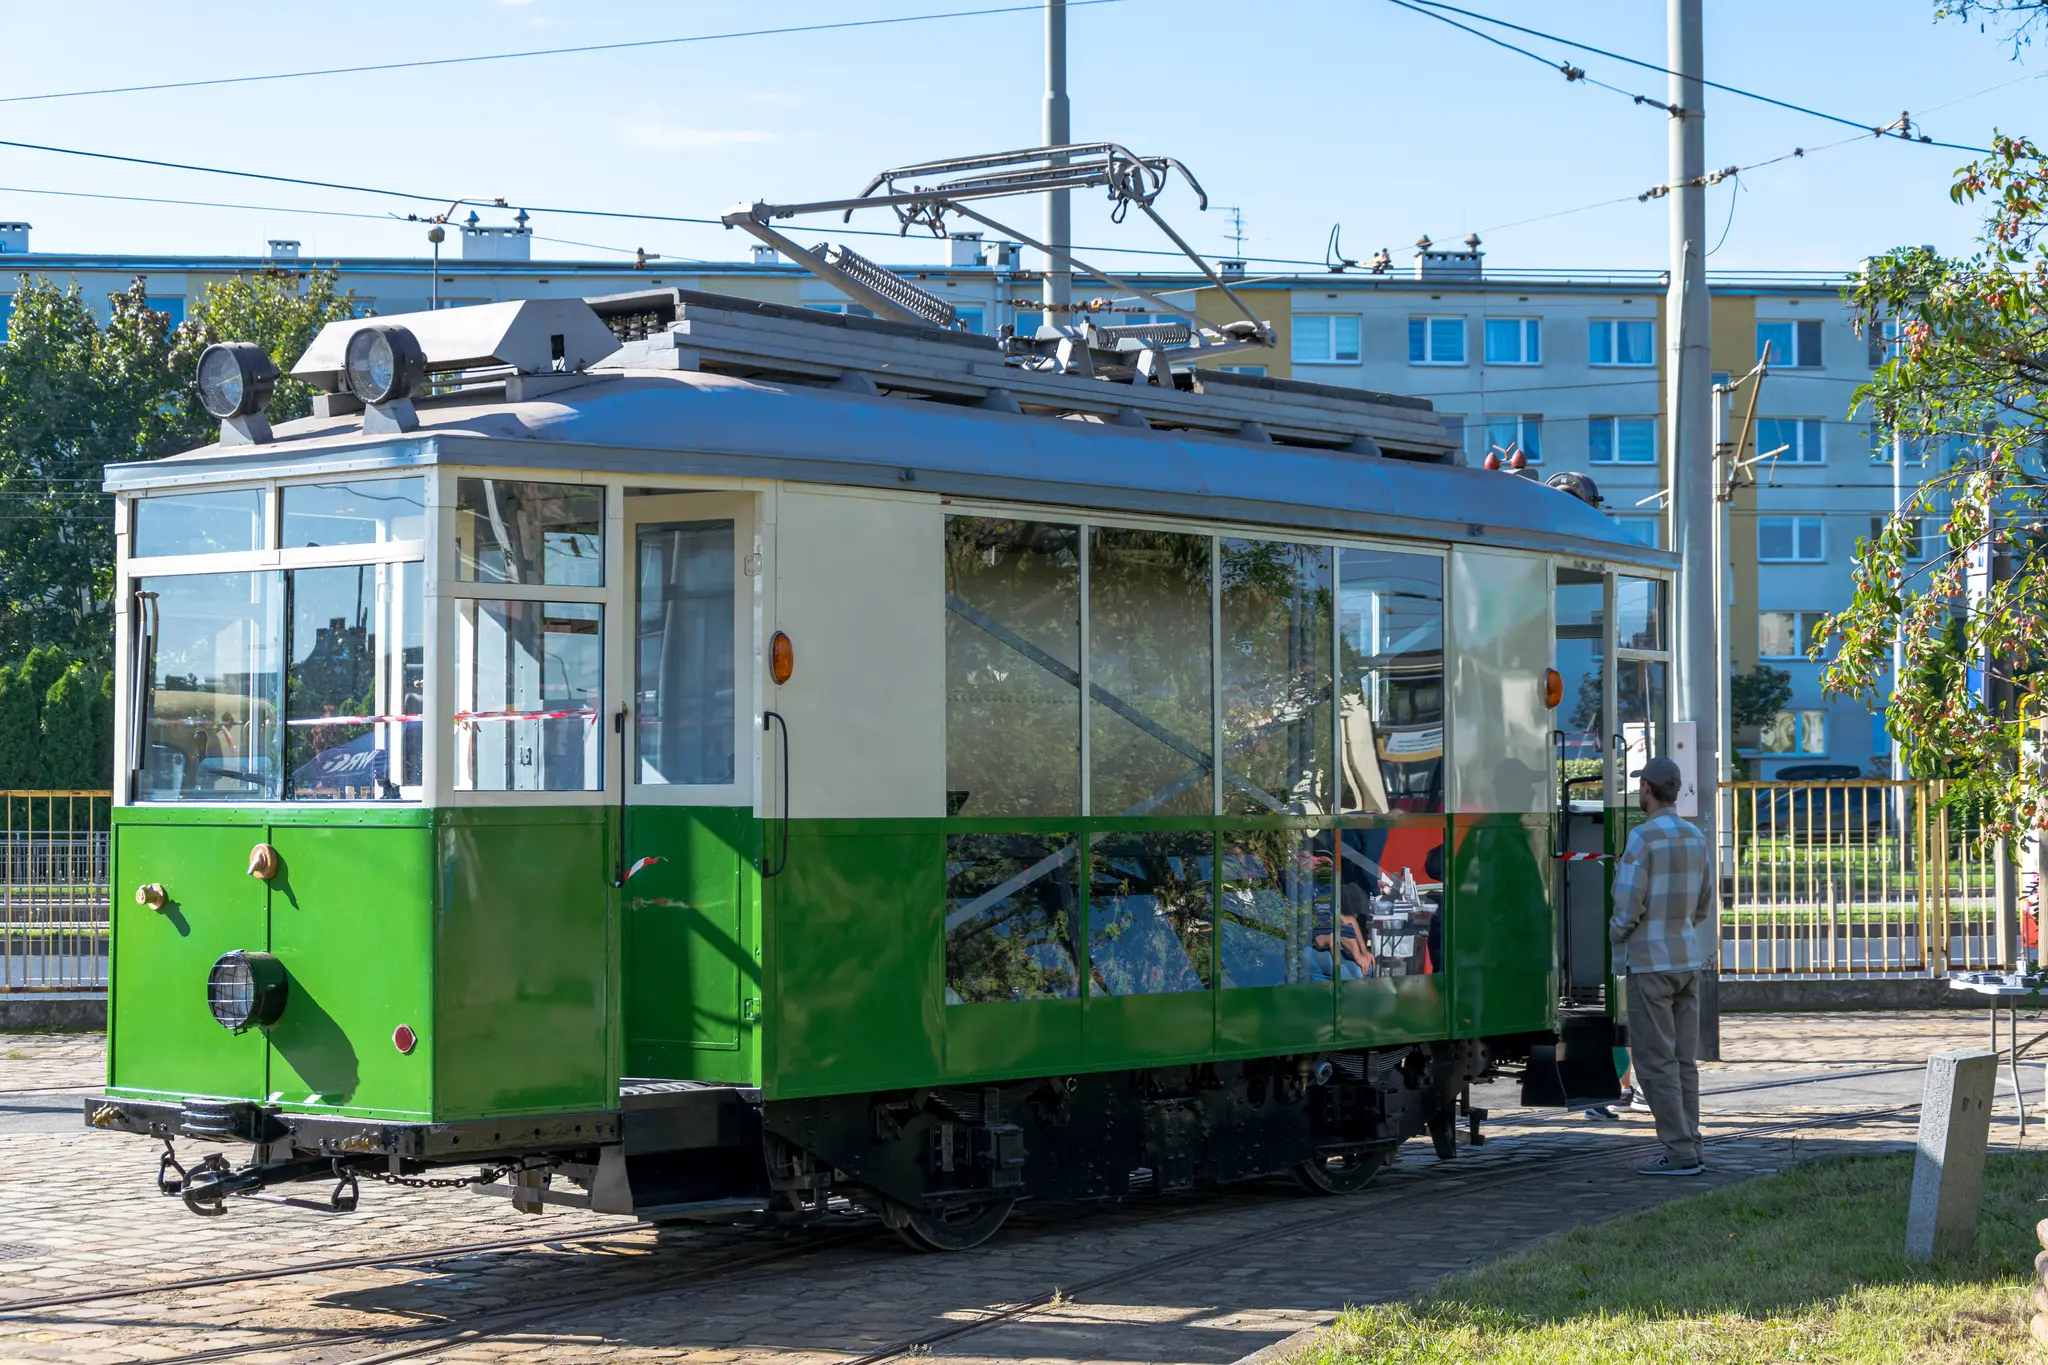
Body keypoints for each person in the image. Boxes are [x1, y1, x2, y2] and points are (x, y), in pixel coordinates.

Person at [1608, 755, 1714, 1176]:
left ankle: (1680, 1151)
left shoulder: (1642, 838)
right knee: (1684, 1062)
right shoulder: (1695, 836)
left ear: (1647, 789)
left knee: (1655, 1064)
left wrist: (1618, 933)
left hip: (1649, 963)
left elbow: (1627, 904)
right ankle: (1692, 1142)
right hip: (1686, 959)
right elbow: (1704, 903)